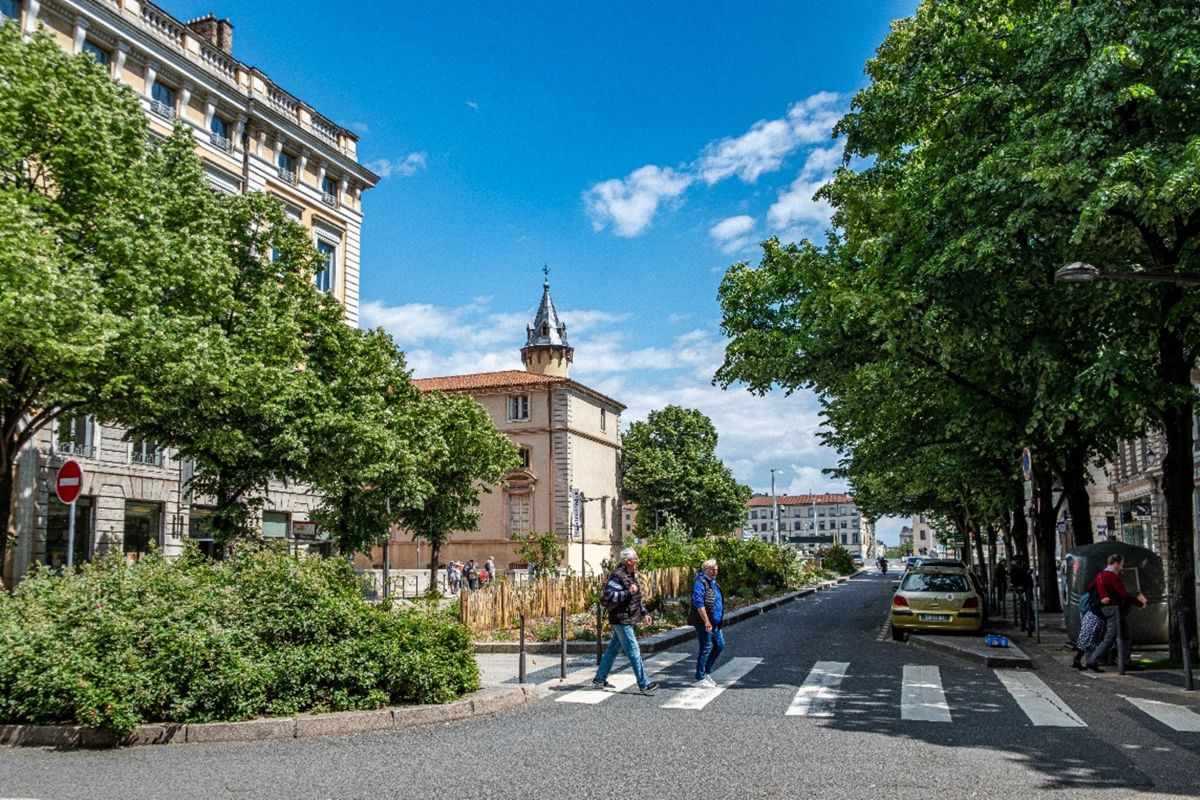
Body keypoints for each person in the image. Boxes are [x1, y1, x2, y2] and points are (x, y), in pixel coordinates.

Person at [592, 548, 658, 695]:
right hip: (621, 619)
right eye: (636, 558)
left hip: (625, 617)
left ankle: (599, 679)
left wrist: (644, 612)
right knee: (634, 650)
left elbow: (635, 598)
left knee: (613, 650)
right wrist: (628, 592)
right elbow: (609, 595)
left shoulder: (630, 575)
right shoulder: (618, 576)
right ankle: (644, 683)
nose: (638, 560)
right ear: (629, 561)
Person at [1085, 553, 1147, 673]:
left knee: (1126, 635)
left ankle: (1125, 661)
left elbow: (1089, 588)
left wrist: (1101, 596)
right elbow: (1123, 594)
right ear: (1116, 563)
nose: (1122, 567)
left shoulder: (1099, 575)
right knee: (1110, 636)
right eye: (1121, 564)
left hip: (1105, 608)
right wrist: (1139, 603)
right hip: (1113, 608)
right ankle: (1093, 660)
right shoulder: (1112, 576)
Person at [689, 558, 725, 687]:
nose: (715, 572)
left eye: (716, 569)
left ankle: (706, 672)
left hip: (715, 622)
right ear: (705, 570)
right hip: (704, 622)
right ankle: (700, 677)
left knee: (720, 645)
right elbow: (698, 603)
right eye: (712, 570)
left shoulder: (713, 583)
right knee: (705, 648)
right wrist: (706, 621)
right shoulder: (700, 582)